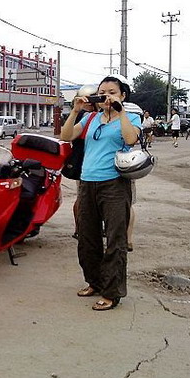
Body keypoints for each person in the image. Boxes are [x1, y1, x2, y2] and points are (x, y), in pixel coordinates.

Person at [60, 75, 141, 311]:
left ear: (122, 95)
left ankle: (111, 292)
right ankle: (94, 282)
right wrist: (75, 111)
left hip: (114, 184)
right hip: (87, 183)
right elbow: (66, 136)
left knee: (116, 240)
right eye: (102, 91)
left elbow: (130, 138)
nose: (106, 95)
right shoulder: (91, 118)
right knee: (87, 238)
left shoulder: (131, 117)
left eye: (112, 92)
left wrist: (120, 112)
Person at [69, 84, 99, 240]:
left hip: (85, 161)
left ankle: (81, 228)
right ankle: (80, 228)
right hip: (84, 162)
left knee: (83, 198)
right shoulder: (85, 116)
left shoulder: (88, 115)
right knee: (83, 198)